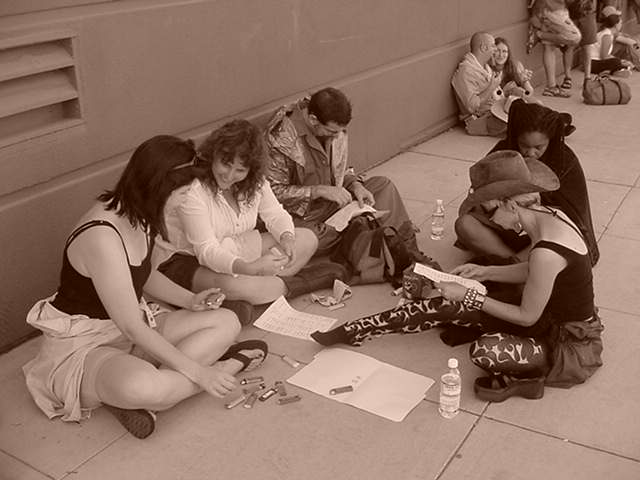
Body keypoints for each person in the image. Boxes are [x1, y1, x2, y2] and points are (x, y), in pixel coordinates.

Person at [23, 135, 269, 439]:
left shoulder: (141, 216)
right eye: (182, 192)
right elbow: (132, 327)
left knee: (227, 321)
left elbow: (144, 275)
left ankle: (147, 392)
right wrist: (202, 374)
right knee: (143, 386)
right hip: (86, 344)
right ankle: (228, 366)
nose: (184, 201)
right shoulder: (102, 236)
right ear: (158, 187)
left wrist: (190, 300)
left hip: (131, 332)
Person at [312, 150, 603, 401]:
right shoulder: (550, 216)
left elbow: (526, 316)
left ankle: (531, 374)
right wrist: (485, 271)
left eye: (488, 211)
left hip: (566, 342)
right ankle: (357, 330)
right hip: (545, 314)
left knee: (485, 351)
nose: (488, 219)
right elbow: (533, 271)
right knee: (446, 304)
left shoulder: (546, 251)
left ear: (510, 205)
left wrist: (470, 295)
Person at [155, 119, 345, 311]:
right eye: (225, 164)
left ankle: (245, 298)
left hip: (233, 246)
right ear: (213, 155)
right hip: (189, 259)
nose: (229, 175)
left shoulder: (256, 183)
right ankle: (303, 282)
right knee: (236, 286)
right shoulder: (194, 190)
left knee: (306, 239)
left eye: (240, 170)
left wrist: (286, 237)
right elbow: (207, 250)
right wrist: (250, 268)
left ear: (251, 170)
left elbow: (275, 214)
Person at [265, 87, 428, 263]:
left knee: (383, 186)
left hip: (337, 206)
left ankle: (409, 254)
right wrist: (317, 191)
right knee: (311, 239)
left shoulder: (333, 128)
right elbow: (271, 193)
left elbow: (339, 170)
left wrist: (355, 185)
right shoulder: (281, 139)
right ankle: (365, 241)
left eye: (340, 131)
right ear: (313, 120)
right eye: (332, 132)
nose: (337, 137)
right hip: (305, 217)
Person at [455, 99, 599, 267]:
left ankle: (514, 266)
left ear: (550, 140)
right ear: (516, 138)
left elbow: (567, 217)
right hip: (507, 225)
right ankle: (514, 265)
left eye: (539, 147)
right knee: (465, 225)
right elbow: (482, 192)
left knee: (552, 245)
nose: (530, 153)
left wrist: (529, 209)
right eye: (524, 145)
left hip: (542, 229)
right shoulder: (504, 151)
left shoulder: (564, 161)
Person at [451, 32, 507, 136]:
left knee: (529, 108)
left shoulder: (485, 67)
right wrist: (492, 87)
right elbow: (472, 106)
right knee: (520, 121)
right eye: (493, 46)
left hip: (496, 111)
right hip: (480, 120)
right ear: (483, 48)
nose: (495, 49)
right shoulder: (466, 71)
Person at [526, 0, 580, 97]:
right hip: (552, 11)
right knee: (574, 37)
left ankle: (551, 87)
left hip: (546, 10)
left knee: (549, 47)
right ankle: (539, 34)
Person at [588, 6, 636, 75]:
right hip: (592, 63)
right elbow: (603, 56)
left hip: (598, 61)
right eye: (620, 23)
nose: (621, 25)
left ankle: (615, 70)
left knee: (619, 60)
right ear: (616, 25)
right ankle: (615, 70)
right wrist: (621, 61)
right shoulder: (607, 35)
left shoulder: (609, 33)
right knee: (616, 62)